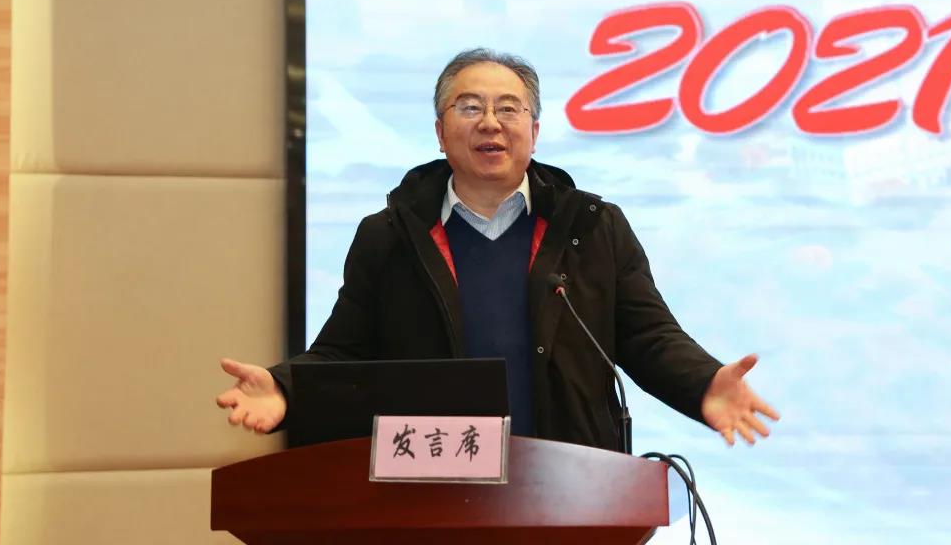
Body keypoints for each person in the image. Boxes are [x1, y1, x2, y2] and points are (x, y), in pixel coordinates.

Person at [217, 48, 778, 450]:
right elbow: (344, 352)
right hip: (434, 486)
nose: (491, 123)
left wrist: (704, 383)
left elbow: (648, 336)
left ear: (534, 130)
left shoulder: (590, 227)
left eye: (509, 109)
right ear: (440, 132)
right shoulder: (389, 236)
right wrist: (285, 390)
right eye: (469, 108)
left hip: (570, 483)